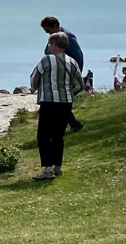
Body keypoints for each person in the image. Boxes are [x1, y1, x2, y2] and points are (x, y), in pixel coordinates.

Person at [30, 32, 85, 180]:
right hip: (66, 103)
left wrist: (37, 89)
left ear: (54, 44)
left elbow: (34, 79)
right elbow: (80, 84)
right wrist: (68, 92)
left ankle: (47, 169)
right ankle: (58, 167)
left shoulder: (46, 60)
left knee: (43, 135)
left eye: (50, 44)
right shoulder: (72, 62)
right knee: (58, 136)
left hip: (49, 101)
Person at [42, 17, 86, 132]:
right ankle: (73, 124)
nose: (47, 32)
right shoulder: (53, 39)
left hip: (66, 75)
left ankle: (73, 124)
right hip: (55, 75)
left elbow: (78, 56)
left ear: (55, 26)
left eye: (48, 29)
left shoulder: (68, 37)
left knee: (60, 102)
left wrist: (76, 74)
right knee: (59, 102)